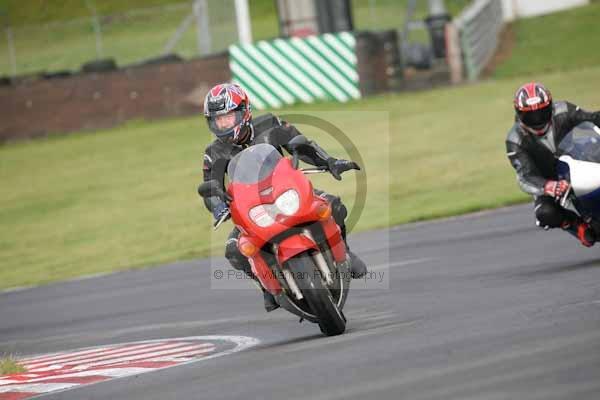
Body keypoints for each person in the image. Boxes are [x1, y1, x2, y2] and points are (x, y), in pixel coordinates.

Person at [200, 83, 368, 311]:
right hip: (252, 209)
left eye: (228, 117)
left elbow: (303, 145)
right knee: (234, 250)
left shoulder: (270, 124)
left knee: (333, 205)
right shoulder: (213, 153)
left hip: (286, 193)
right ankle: (267, 288)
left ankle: (345, 252)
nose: (223, 125)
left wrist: (329, 162)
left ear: (244, 111)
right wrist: (218, 206)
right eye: (218, 120)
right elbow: (210, 188)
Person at [506, 82, 600, 247]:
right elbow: (525, 176)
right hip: (549, 179)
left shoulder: (563, 110)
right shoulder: (515, 140)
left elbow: (591, 119)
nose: (538, 120)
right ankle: (577, 226)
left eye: (541, 112)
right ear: (520, 115)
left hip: (577, 160)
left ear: (550, 107)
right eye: (530, 116)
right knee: (545, 213)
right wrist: (548, 186)